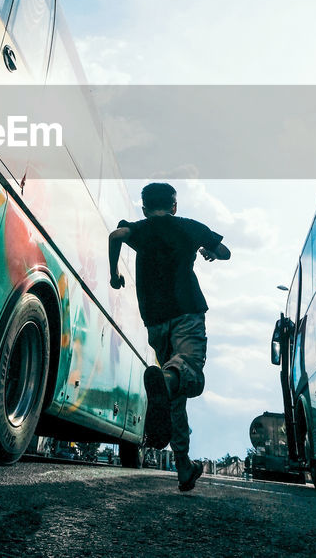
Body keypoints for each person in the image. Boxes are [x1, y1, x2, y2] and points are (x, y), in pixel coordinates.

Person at [108, 182, 230, 492]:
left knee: (174, 390)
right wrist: (207, 249)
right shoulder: (189, 227)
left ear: (145, 208)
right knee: (188, 371)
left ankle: (183, 468)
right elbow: (225, 253)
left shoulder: (139, 228)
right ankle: (166, 382)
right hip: (187, 310)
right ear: (174, 206)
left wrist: (114, 273)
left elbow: (116, 235)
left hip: (155, 319)